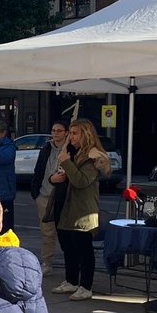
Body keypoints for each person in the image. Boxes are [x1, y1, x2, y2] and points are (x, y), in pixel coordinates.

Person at [52, 119, 111, 302]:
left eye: (75, 133)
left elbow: (81, 181)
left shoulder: (93, 156)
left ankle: (86, 286)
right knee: (68, 246)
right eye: (70, 133)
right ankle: (71, 280)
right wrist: (54, 177)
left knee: (83, 248)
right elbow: (63, 174)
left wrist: (67, 163)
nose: (71, 137)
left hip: (83, 209)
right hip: (66, 205)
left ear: (85, 134)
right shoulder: (72, 151)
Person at [29, 122, 68, 276]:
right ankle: (46, 262)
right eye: (53, 130)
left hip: (62, 197)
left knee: (65, 232)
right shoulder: (46, 148)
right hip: (44, 195)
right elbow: (38, 170)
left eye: (59, 131)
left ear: (65, 133)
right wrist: (36, 193)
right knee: (47, 233)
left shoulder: (69, 149)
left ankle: (71, 263)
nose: (56, 133)